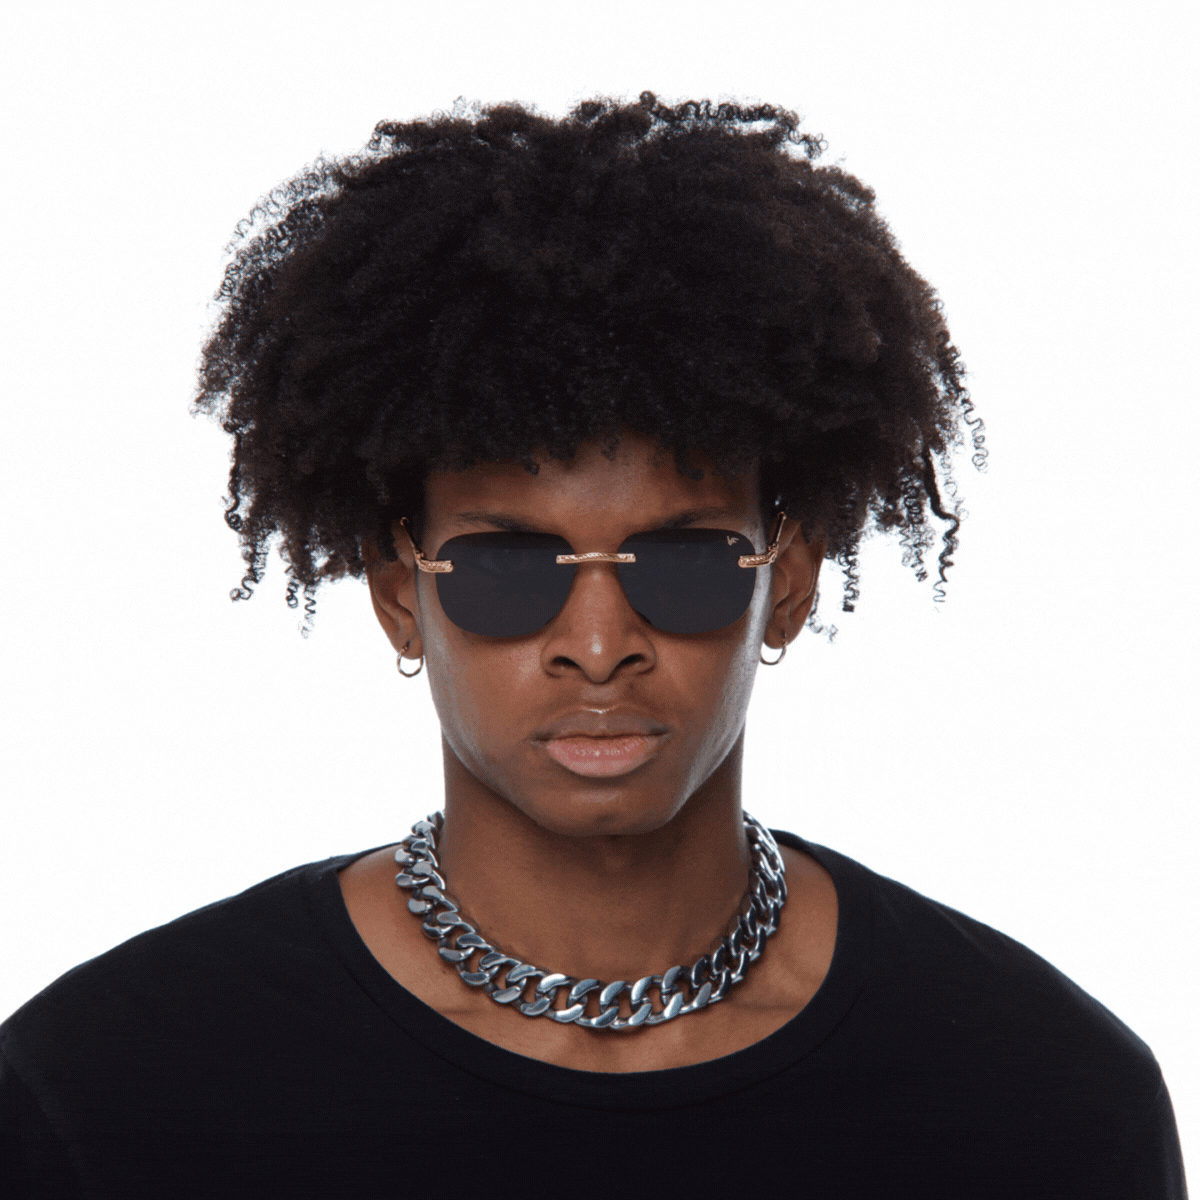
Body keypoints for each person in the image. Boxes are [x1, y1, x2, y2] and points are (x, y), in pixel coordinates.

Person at [0, 93, 1186, 1198]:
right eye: (509, 568)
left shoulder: (1040, 1097)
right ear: (400, 596)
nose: (600, 643)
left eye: (682, 562)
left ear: (787, 586)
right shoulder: (112, 1095)